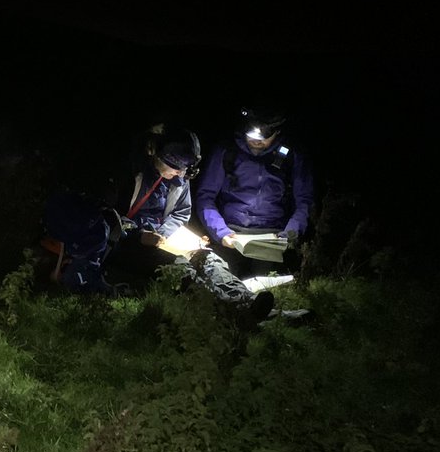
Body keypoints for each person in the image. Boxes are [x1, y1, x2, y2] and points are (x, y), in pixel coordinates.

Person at [43, 124, 273, 324]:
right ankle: (229, 308)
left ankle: (248, 301)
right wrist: (140, 235)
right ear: (157, 154)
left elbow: (182, 212)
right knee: (179, 267)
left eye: (184, 169)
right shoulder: (130, 172)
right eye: (175, 167)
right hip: (126, 242)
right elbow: (108, 215)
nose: (179, 174)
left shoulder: (179, 178)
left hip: (161, 237)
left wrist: (163, 234)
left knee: (208, 258)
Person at [195, 106, 315, 277]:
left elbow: (304, 201)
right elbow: (205, 196)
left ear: (277, 131)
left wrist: (289, 234)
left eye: (263, 137)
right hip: (231, 233)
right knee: (221, 282)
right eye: (251, 135)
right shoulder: (227, 151)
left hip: (272, 236)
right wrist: (221, 232)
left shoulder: (292, 156)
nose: (256, 141)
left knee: (265, 286)